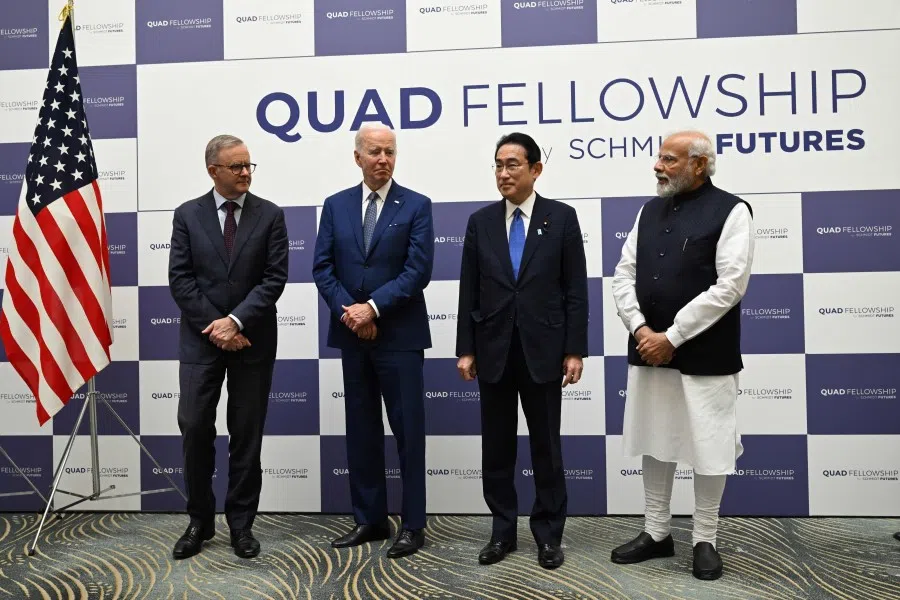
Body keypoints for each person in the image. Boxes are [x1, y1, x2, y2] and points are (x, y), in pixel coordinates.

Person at [609, 131, 754, 581]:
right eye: (659, 158)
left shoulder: (732, 210)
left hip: (705, 353)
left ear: (699, 164)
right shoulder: (648, 210)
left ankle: (705, 538)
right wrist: (640, 329)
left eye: (669, 159)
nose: (658, 166)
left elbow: (731, 285)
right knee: (655, 438)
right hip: (648, 348)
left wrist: (672, 335)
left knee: (709, 445)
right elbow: (623, 274)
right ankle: (656, 532)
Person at [455, 132, 588, 569]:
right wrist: (466, 349)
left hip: (544, 350)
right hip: (492, 350)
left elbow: (575, 291)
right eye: (498, 164)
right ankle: (502, 532)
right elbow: (468, 292)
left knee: (546, 446)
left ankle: (549, 534)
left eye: (513, 164)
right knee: (496, 448)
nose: (503, 173)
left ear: (536, 169)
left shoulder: (562, 218)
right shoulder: (480, 222)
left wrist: (574, 350)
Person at [313, 123, 434, 559]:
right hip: (352, 335)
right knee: (361, 431)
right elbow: (322, 268)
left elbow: (417, 270)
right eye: (375, 152)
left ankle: (414, 524)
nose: (383, 159)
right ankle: (371, 519)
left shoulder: (417, 205)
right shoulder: (336, 205)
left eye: (390, 152)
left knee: (408, 433)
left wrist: (373, 309)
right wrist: (351, 311)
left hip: (399, 336)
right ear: (357, 157)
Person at [168, 135, 289, 559]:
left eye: (249, 166)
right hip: (202, 342)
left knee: (246, 435)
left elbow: (274, 278)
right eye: (236, 166)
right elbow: (180, 279)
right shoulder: (187, 215)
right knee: (196, 428)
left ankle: (242, 526)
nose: (245, 173)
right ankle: (199, 522)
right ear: (212, 171)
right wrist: (217, 326)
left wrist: (236, 321)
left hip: (252, 340)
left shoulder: (270, 215)